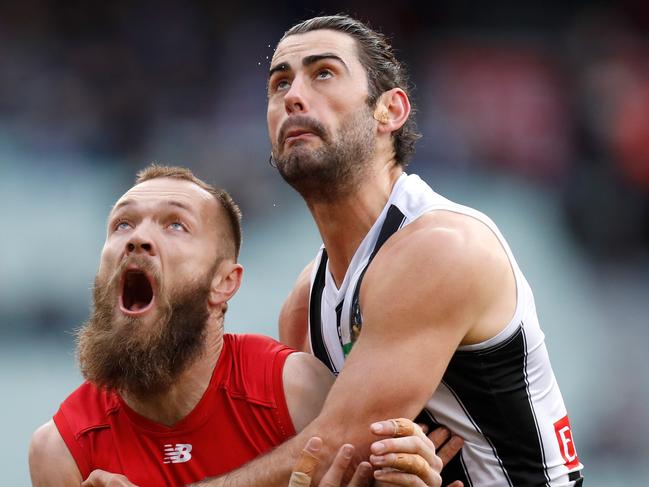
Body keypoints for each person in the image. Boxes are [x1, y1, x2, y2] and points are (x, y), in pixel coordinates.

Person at [191, 14, 584, 487]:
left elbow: (335, 444)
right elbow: (315, 468)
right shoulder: (302, 305)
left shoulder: (440, 247)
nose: (293, 96)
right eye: (279, 84)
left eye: (323, 73)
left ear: (390, 111)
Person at [28, 165, 460, 487]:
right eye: (122, 223)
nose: (137, 239)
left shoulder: (293, 393)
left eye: (175, 224)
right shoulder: (62, 449)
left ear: (225, 282)